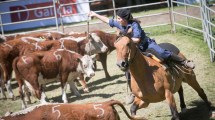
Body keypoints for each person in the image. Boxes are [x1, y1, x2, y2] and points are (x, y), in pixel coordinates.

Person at [88, 9, 195, 104]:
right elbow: (107, 20)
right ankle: (133, 91)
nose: (117, 20)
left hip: (147, 45)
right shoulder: (121, 24)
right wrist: (95, 14)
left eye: (119, 18)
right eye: (117, 18)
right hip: (135, 50)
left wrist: (125, 36)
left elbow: (137, 40)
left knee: (161, 53)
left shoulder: (134, 25)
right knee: (127, 68)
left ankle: (183, 62)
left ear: (124, 19)